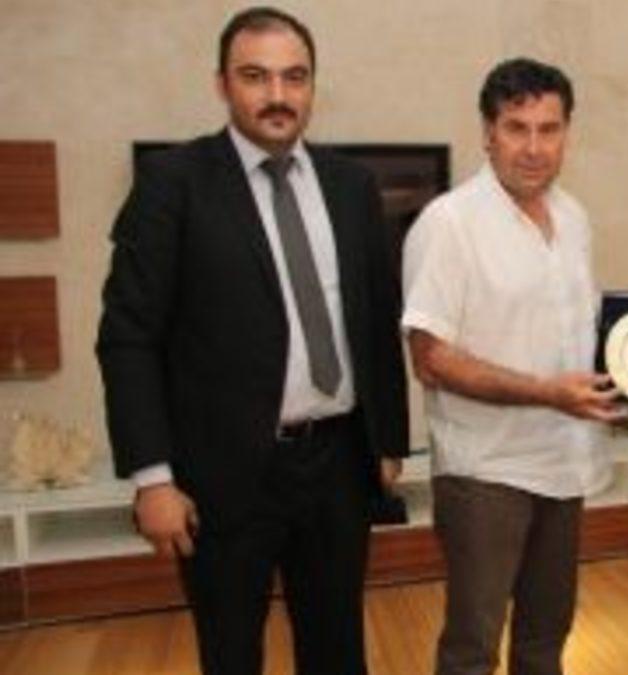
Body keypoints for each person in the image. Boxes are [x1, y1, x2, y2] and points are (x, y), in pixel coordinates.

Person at [96, 6, 408, 673]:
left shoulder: (351, 185)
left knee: (338, 651)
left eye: (295, 77)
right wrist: (152, 477)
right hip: (222, 476)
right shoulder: (172, 184)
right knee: (231, 653)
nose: (277, 95)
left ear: (312, 85)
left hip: (338, 468)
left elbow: (377, 320)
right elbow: (128, 339)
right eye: (255, 76)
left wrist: (388, 441)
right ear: (222, 84)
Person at [402, 58, 621, 675]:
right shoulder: (448, 223)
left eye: (549, 129)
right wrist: (548, 393)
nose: (533, 147)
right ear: (487, 132)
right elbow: (431, 359)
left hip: (565, 464)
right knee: (473, 648)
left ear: (567, 132)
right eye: (516, 128)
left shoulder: (574, 217)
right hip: (486, 473)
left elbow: (580, 333)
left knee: (546, 640)